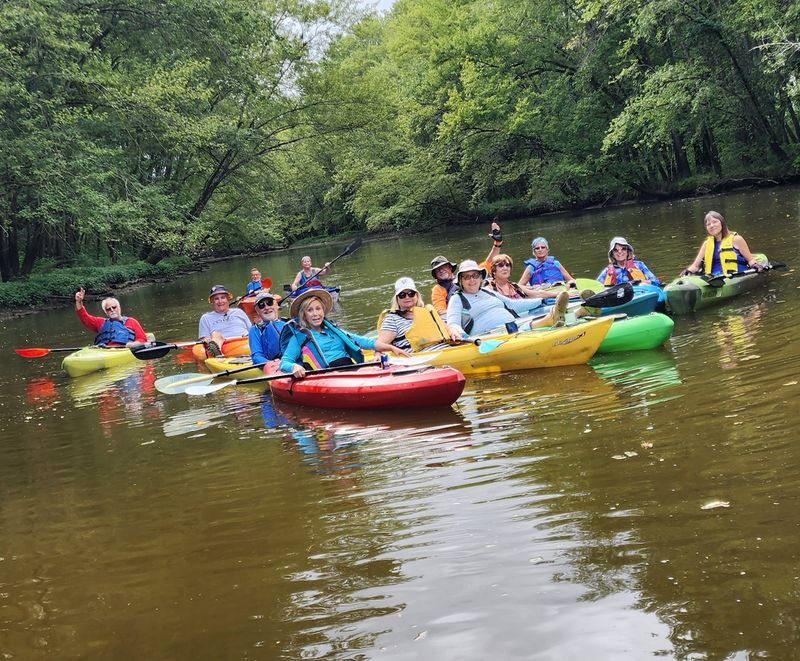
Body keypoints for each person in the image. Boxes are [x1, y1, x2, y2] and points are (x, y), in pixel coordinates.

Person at [279, 289, 408, 378]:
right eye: (310, 310)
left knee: (376, 370)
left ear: (323, 311)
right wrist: (294, 367)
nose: (315, 314)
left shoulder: (334, 331)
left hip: (349, 368)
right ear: (304, 315)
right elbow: (284, 363)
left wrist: (391, 347)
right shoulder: (299, 338)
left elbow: (364, 342)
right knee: (369, 372)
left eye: (318, 309)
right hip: (329, 376)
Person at [446, 260, 570, 338]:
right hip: (490, 336)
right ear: (461, 281)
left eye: (475, 275)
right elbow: (453, 323)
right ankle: (549, 320)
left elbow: (513, 305)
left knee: (546, 309)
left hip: (512, 326)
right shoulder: (457, 298)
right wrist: (457, 332)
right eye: (466, 277)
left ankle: (577, 312)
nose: (472, 280)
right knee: (520, 327)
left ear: (480, 278)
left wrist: (541, 301)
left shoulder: (488, 292)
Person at [430, 221, 503, 316]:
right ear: (435, 275)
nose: (441, 270)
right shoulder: (438, 289)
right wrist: (465, 311)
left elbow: (489, 262)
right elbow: (440, 311)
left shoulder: (467, 274)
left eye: (444, 267)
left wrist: (497, 243)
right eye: (438, 269)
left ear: (450, 268)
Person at [681, 210, 764, 276]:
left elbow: (750, 260)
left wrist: (755, 265)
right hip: (712, 279)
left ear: (722, 222)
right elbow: (695, 266)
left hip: (733, 276)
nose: (711, 226)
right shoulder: (706, 244)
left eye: (714, 222)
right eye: (708, 224)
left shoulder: (736, 239)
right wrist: (688, 271)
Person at [74, 287, 148, 347]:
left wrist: (132, 345)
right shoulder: (100, 322)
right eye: (108, 309)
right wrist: (79, 302)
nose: (112, 310)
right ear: (106, 312)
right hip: (104, 351)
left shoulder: (132, 322)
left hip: (123, 350)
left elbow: (142, 340)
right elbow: (85, 318)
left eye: (114, 307)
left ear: (119, 307)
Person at [486, 254, 575, 300]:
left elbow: (539, 294)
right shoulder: (489, 288)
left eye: (507, 265)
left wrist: (562, 294)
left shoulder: (514, 286)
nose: (505, 268)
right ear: (494, 270)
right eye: (501, 265)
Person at [198, 285, 252, 357]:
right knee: (215, 334)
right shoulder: (205, 318)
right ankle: (218, 355)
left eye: (223, 298)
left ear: (228, 299)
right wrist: (207, 340)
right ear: (212, 301)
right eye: (216, 299)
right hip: (224, 345)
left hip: (245, 341)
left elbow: (251, 330)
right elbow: (205, 339)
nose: (220, 301)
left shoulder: (239, 312)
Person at [376, 277, 426, 351]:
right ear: (397, 298)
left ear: (417, 295)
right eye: (402, 295)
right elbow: (380, 345)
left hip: (442, 351)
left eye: (411, 294)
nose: (407, 297)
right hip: (419, 356)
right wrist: (377, 354)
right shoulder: (392, 319)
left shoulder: (427, 312)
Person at [248, 291, 286, 364]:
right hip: (273, 364)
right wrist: (273, 364)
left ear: (276, 305)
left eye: (269, 303)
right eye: (261, 306)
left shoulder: (288, 324)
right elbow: (257, 356)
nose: (267, 307)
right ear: (257, 311)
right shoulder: (255, 330)